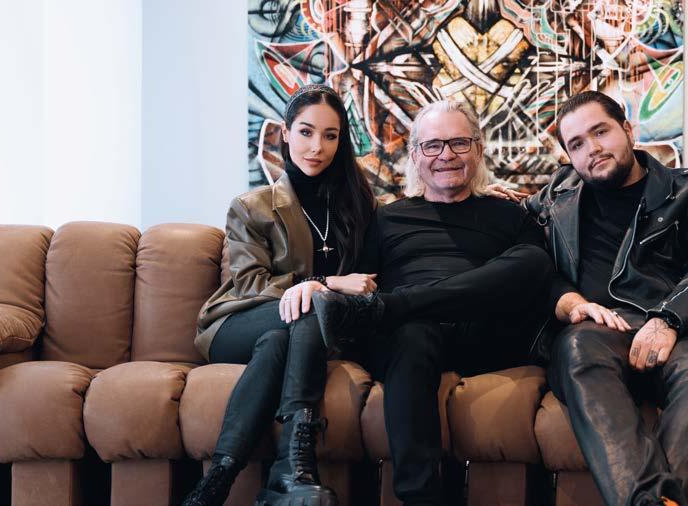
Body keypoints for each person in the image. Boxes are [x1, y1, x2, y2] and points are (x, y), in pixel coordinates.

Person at [516, 91, 688, 506]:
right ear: (569, 158)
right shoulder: (556, 200)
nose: (592, 149)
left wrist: (669, 318)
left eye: (600, 132)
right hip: (600, 331)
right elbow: (522, 252)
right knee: (575, 349)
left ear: (627, 130)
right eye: (577, 144)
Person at [312, 100, 553, 505]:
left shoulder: (510, 214)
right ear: (414, 155)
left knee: (534, 259)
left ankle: (398, 305)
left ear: (478, 149)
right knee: (413, 331)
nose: (446, 155)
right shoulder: (385, 219)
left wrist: (394, 304)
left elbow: (533, 279)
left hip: (486, 335)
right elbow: (359, 284)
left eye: (459, 143)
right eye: (433, 145)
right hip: (410, 341)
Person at [184, 84, 377, 506]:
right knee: (309, 306)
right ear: (285, 134)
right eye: (306, 132)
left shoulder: (360, 206)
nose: (317, 147)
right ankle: (293, 466)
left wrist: (478, 195)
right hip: (237, 321)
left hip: (292, 333)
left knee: (280, 339)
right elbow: (250, 284)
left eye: (330, 135)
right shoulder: (252, 206)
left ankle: (217, 480)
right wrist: (322, 284)